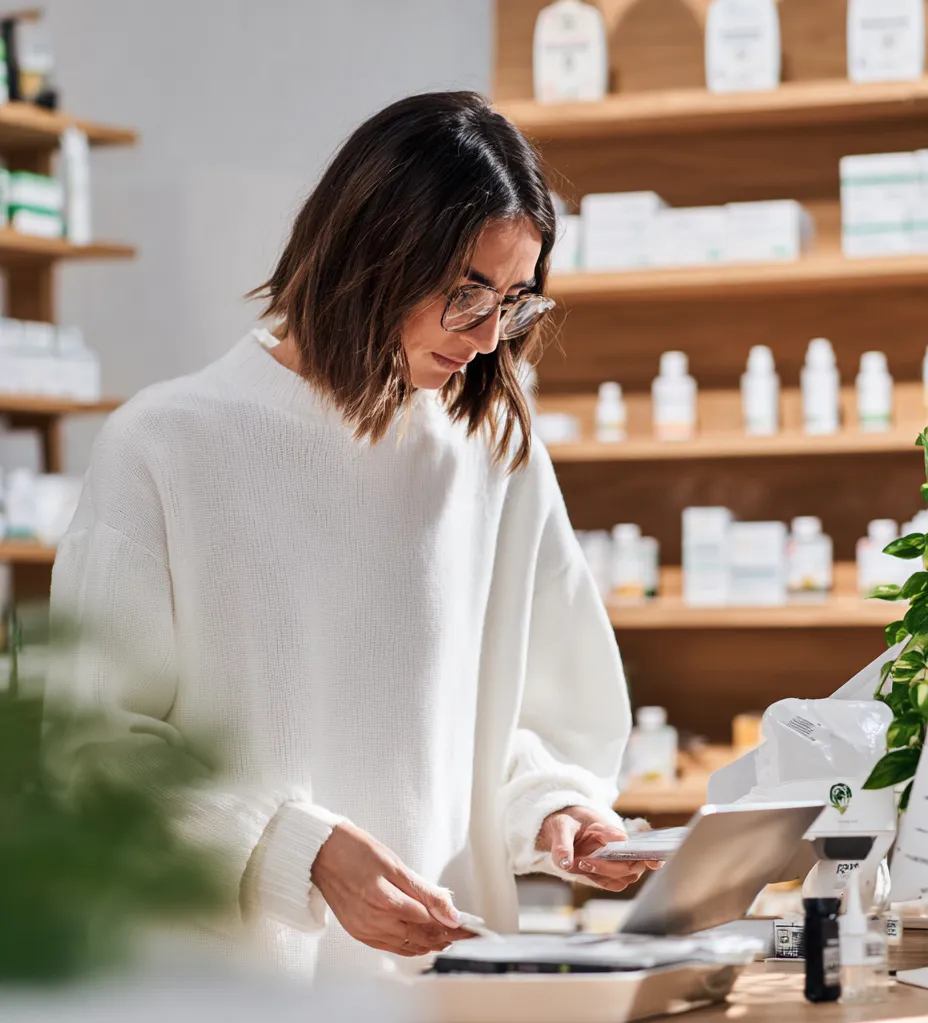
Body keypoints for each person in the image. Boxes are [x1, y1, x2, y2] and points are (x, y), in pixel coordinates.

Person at [47, 91, 657, 979]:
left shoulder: (491, 453)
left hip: (442, 984)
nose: (490, 338)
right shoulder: (168, 443)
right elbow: (91, 749)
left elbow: (515, 720)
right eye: (465, 294)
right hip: (223, 990)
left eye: (516, 301)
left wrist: (555, 806)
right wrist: (299, 847)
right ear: (372, 255)